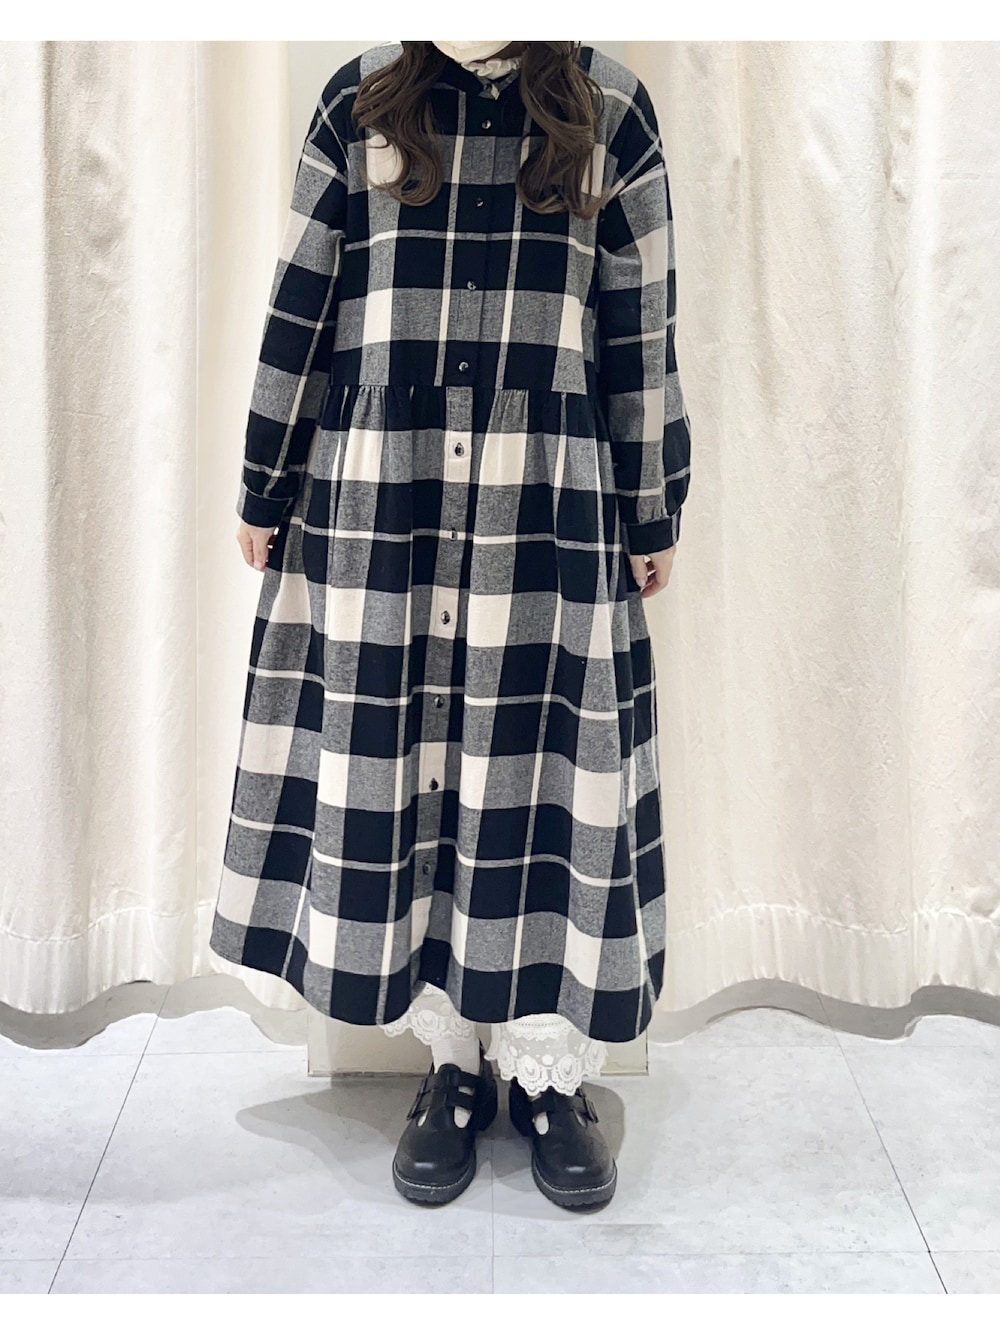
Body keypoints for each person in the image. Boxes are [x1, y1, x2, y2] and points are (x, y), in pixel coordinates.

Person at [210, 39, 692, 1211]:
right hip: (389, 497)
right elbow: (301, 301)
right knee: (410, 774)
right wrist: (264, 479)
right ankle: (455, 1066)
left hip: (545, 501)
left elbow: (640, 323)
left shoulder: (609, 107)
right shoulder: (361, 99)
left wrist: (652, 499)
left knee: (538, 778)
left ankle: (546, 1075)